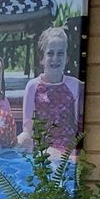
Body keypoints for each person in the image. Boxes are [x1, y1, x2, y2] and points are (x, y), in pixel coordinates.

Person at [22, 24, 84, 156]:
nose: (55, 58)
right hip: (42, 152)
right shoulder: (33, 87)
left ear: (67, 58)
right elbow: (27, 129)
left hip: (68, 151)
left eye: (60, 53)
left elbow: (79, 127)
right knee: (21, 140)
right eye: (50, 53)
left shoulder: (75, 86)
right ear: (42, 59)